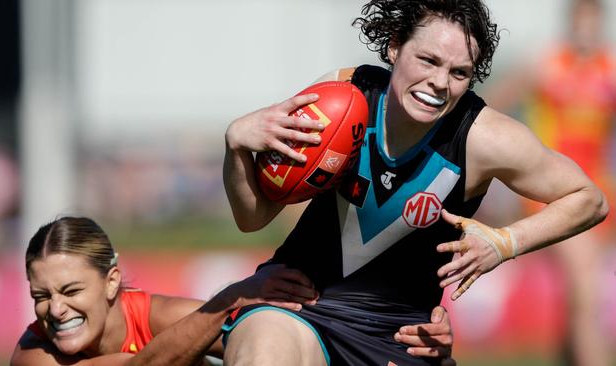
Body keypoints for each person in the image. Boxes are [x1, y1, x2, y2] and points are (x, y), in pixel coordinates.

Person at [222, 0, 609, 365]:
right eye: (428, 60)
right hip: (298, 311)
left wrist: (504, 243)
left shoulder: (484, 137)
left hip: (402, 337)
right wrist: (237, 146)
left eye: (459, 73)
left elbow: (588, 199)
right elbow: (253, 217)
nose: (439, 82)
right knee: (263, 348)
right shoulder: (342, 96)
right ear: (394, 47)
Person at [10, 216, 457, 365]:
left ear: (111, 282)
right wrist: (233, 298)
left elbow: (299, 343)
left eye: (70, 290)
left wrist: (411, 345)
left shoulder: (159, 316)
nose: (56, 309)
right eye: (41, 296)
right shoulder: (34, 355)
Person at [485, 1, 616, 364]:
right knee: (587, 293)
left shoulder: (610, 71)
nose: (586, 31)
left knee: (577, 296)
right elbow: (492, 106)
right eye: (580, 22)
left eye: (593, 23)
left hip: (599, 192)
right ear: (571, 23)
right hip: (554, 194)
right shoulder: (547, 66)